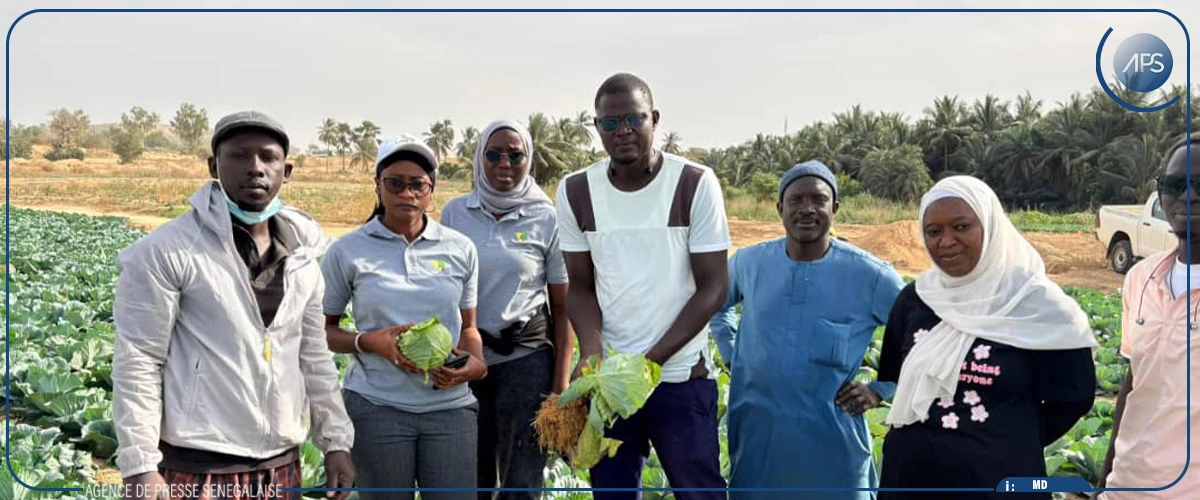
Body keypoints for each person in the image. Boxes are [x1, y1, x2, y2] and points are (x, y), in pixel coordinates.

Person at [111, 110, 356, 500]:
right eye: (239, 156)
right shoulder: (167, 251)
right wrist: (140, 465)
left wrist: (335, 442)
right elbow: (139, 359)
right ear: (214, 166)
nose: (255, 169)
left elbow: (314, 357)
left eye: (268, 157)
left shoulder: (303, 256)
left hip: (279, 463)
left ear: (287, 170)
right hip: (197, 464)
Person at [554, 72, 730, 500]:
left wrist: (647, 365)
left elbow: (713, 288)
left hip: (681, 377)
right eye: (610, 124)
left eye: (634, 119)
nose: (623, 131)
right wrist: (594, 354)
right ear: (597, 128)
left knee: (700, 492)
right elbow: (578, 286)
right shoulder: (577, 190)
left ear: (654, 118)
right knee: (612, 494)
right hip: (611, 384)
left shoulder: (693, 183)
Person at [876, 175, 1098, 500]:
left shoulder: (1037, 304)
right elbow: (893, 374)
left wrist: (1007, 437)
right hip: (911, 479)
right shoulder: (915, 298)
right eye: (934, 232)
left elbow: (1073, 397)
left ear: (991, 226)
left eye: (962, 226)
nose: (946, 241)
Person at [708, 160, 905, 499]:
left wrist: (881, 388)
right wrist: (732, 353)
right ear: (779, 208)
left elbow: (918, 338)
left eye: (818, 200)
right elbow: (716, 306)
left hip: (833, 443)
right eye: (796, 200)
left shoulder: (872, 276)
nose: (807, 209)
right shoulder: (749, 263)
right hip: (758, 437)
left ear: (836, 208)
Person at [321, 134, 487, 500]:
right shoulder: (348, 250)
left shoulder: (460, 249)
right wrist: (367, 342)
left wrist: (476, 363)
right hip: (377, 407)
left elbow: (469, 326)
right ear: (378, 187)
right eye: (395, 183)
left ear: (431, 190)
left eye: (417, 185)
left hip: (449, 408)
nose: (406, 193)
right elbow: (323, 331)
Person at [440, 119, 575, 499]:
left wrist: (560, 385)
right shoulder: (456, 213)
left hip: (526, 360)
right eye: (494, 154)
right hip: (466, 358)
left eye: (516, 155)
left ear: (528, 159)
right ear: (479, 157)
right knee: (471, 471)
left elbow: (563, 307)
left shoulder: (546, 217)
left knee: (523, 476)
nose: (504, 163)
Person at [1099, 132, 1200, 499]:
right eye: (1175, 184)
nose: (1187, 196)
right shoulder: (1141, 277)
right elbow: (1133, 383)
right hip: (1127, 485)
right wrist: (1105, 477)